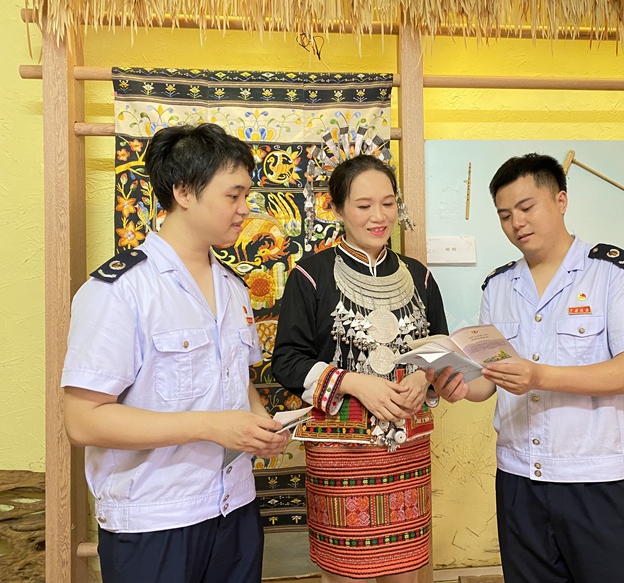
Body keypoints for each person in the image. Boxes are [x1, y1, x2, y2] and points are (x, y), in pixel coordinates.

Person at [61, 123, 290, 583]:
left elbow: (236, 381)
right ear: (183, 191)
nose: (246, 210)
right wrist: (211, 426)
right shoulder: (120, 290)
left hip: (234, 509)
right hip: (155, 520)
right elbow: (83, 421)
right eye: (233, 196)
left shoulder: (232, 288)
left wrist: (261, 424)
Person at [434, 152, 624, 583]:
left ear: (561, 200)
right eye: (505, 215)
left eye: (526, 208)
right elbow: (490, 383)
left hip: (595, 478)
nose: (516, 223)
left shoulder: (612, 273)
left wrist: (540, 376)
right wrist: (459, 387)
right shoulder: (499, 285)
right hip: (519, 478)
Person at [272, 154, 449, 583]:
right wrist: (354, 383)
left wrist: (422, 376)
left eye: (388, 203)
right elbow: (287, 360)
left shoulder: (419, 276)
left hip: (406, 451)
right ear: (336, 208)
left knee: (405, 572)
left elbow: (441, 347)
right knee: (349, 574)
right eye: (363, 205)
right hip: (341, 454)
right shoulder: (310, 276)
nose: (379, 216)